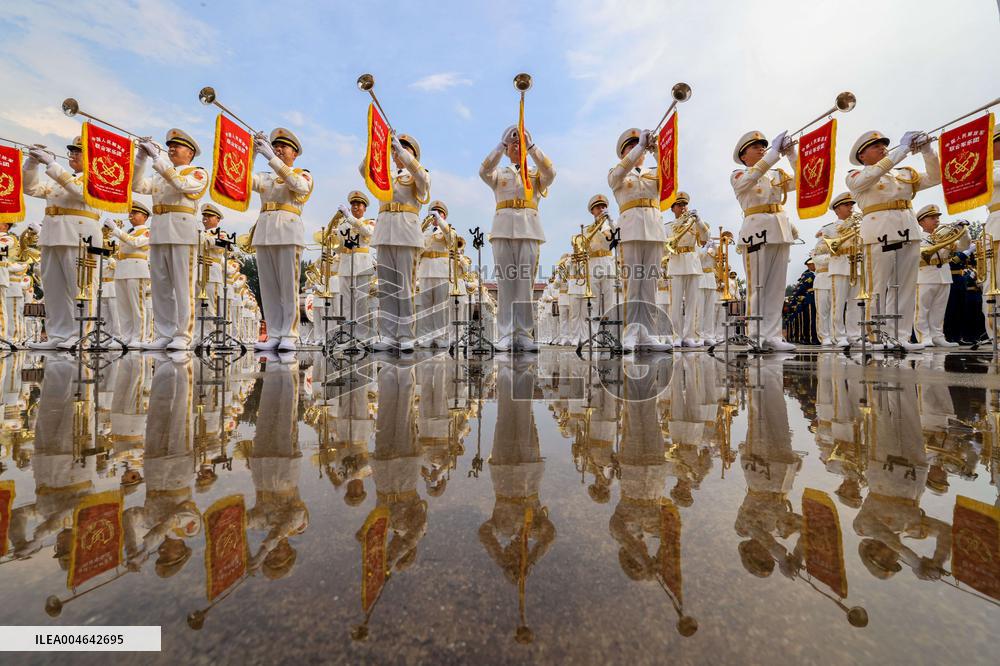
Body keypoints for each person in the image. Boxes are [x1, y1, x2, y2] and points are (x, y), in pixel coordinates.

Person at [847, 129, 942, 351]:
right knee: (877, 286)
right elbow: (868, 178)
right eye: (875, 146)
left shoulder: (903, 173)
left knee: (906, 287)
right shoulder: (855, 175)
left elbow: (935, 178)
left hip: (908, 231)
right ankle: (874, 336)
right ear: (862, 156)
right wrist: (902, 150)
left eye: (883, 144)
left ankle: (900, 336)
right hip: (879, 234)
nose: (882, 147)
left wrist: (928, 151)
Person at [481, 125, 556, 351]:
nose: (516, 146)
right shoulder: (499, 172)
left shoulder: (534, 172)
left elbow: (551, 174)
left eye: (519, 143)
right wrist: (501, 144)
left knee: (524, 283)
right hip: (503, 228)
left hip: (529, 228)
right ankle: (505, 334)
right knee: (505, 283)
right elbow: (483, 172)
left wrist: (532, 147)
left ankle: (523, 333)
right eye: (512, 144)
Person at [132, 129, 208, 351]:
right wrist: (141, 158)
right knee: (161, 287)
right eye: (170, 145)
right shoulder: (159, 173)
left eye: (178, 146)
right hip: (159, 231)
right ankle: (164, 334)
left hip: (182, 233)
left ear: (190, 153)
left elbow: (183, 185)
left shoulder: (197, 172)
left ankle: (184, 334)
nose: (172, 148)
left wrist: (157, 158)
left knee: (183, 286)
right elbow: (137, 185)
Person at [22, 136, 100, 349]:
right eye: (72, 151)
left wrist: (51, 163)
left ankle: (82, 335)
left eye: (78, 151)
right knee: (53, 289)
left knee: (81, 287)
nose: (73, 155)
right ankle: (58, 335)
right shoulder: (59, 179)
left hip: (80, 237)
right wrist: (32, 162)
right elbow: (29, 188)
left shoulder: (97, 177)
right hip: (52, 236)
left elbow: (79, 191)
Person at [731, 130, 798, 351]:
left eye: (763, 146)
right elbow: (747, 182)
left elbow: (802, 181)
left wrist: (791, 154)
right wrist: (772, 156)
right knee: (757, 286)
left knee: (777, 288)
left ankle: (773, 335)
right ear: (744, 156)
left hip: (779, 230)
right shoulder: (739, 175)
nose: (761, 149)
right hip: (756, 232)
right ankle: (755, 334)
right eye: (755, 147)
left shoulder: (776, 174)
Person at [251, 128, 312, 352]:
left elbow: (300, 187)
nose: (278, 149)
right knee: (268, 288)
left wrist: (272, 159)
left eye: (283, 147)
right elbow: (241, 180)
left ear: (294, 154)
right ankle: (275, 333)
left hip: (288, 232)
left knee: (287, 286)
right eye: (275, 145)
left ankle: (289, 333)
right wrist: (253, 154)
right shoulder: (266, 177)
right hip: (265, 232)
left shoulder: (302, 173)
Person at [609, 129, 670, 352]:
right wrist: (638, 149)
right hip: (631, 229)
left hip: (654, 228)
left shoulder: (654, 173)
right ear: (624, 152)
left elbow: (670, 181)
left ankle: (648, 333)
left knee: (650, 285)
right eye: (631, 146)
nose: (638, 149)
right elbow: (615, 177)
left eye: (640, 145)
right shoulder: (619, 172)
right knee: (633, 284)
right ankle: (631, 332)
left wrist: (657, 152)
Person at [915, 204, 968, 347]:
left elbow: (963, 247)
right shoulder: (918, 237)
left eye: (937, 217)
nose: (936, 220)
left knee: (939, 310)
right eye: (932, 218)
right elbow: (918, 255)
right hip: (925, 276)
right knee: (922, 309)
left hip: (944, 276)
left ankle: (938, 336)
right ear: (921, 222)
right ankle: (923, 337)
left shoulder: (945, 236)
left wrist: (964, 231)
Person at [814, 192, 861, 346]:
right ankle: (838, 336)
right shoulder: (828, 229)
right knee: (838, 304)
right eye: (847, 205)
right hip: (839, 266)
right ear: (837, 209)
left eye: (851, 205)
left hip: (857, 267)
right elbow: (819, 252)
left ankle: (854, 335)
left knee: (855, 305)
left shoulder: (861, 225)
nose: (851, 208)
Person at [665, 192, 710, 347]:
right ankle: (676, 336)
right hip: (676, 264)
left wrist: (699, 221)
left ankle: (689, 336)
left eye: (685, 204)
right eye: (679, 205)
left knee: (692, 303)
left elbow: (705, 238)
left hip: (692, 264)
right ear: (673, 209)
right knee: (675, 304)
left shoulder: (694, 224)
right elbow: (665, 247)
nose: (683, 207)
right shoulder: (668, 227)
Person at [335, 190, 376, 343]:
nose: (355, 207)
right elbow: (338, 246)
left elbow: (368, 234)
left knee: (361, 302)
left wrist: (349, 218)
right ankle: (347, 335)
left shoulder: (369, 222)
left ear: (365, 208)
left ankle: (362, 336)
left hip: (362, 265)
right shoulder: (343, 224)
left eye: (358, 205)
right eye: (352, 205)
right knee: (346, 302)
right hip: (345, 264)